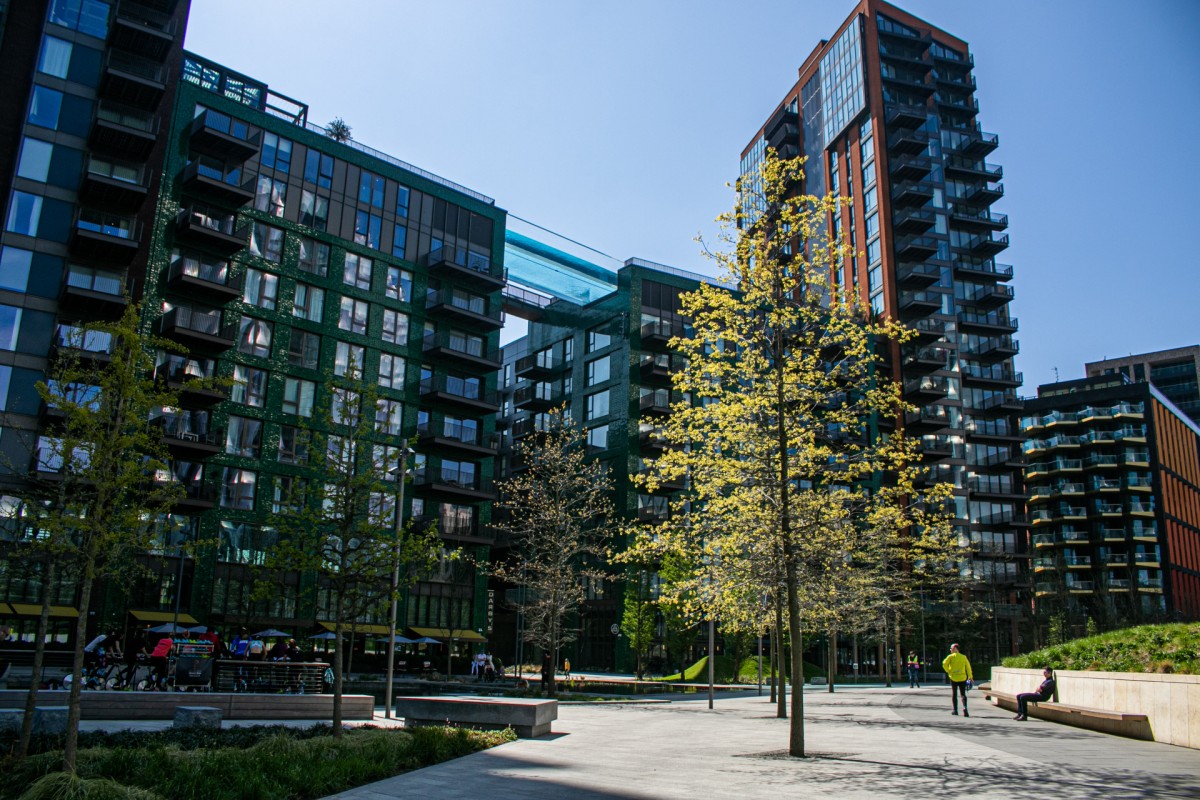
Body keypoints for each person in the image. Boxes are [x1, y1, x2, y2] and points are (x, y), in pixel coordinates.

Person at [942, 643, 973, 717]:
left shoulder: (950, 657)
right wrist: (970, 677)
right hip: (962, 677)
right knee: (963, 694)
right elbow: (968, 667)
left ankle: (955, 710)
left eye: (951, 648)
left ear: (956, 649)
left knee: (954, 694)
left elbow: (944, 664)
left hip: (954, 677)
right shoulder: (963, 657)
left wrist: (948, 671)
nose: (950, 649)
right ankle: (965, 708)